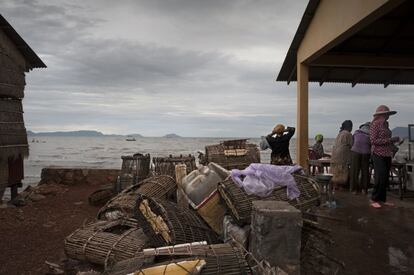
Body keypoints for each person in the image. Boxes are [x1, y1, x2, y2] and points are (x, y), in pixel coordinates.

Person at [370, 105, 400, 208]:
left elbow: (387, 140)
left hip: (387, 154)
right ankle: (374, 198)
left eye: (388, 114)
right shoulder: (375, 124)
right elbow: (373, 141)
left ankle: (382, 199)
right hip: (378, 153)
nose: (388, 116)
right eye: (386, 114)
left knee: (385, 177)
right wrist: (391, 140)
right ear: (381, 115)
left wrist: (394, 147)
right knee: (380, 176)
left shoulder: (386, 124)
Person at [350, 122, 371, 195]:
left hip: (355, 152)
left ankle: (353, 189)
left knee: (354, 171)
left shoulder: (356, 132)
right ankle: (364, 189)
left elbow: (352, 143)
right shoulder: (371, 133)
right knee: (365, 171)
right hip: (366, 153)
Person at [331, 120, 353, 190]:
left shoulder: (339, 133)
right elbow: (352, 145)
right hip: (342, 156)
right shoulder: (348, 134)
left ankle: (335, 185)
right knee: (342, 171)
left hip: (334, 156)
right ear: (349, 127)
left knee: (335, 171)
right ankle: (341, 186)